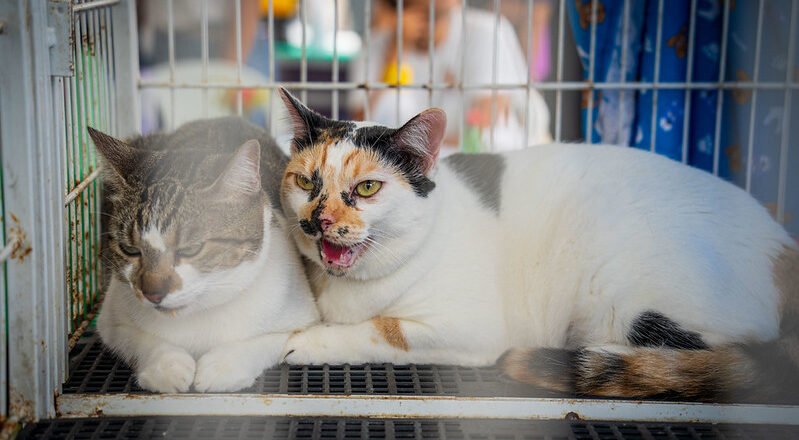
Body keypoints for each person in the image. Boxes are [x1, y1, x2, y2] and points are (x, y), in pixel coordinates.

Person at [348, 0, 550, 153]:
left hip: (472, 158)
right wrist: (394, 54)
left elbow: (485, 124)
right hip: (408, 162)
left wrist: (418, 149)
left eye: (437, 14)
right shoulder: (377, 45)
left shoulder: (484, 31)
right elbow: (361, 127)